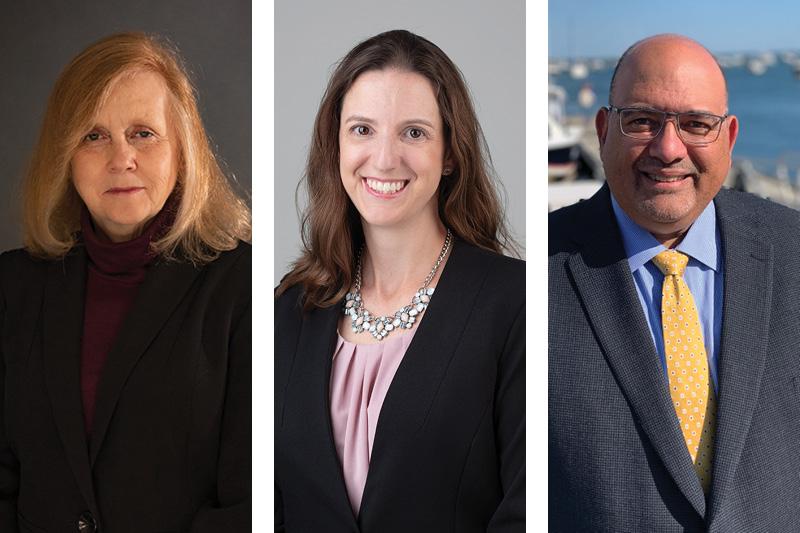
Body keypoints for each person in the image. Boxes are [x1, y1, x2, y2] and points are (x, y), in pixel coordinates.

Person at [275, 29, 524, 532]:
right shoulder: (289, 311)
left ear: (450, 153)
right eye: (362, 130)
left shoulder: (515, 304)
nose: (384, 158)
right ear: (336, 144)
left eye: (413, 132)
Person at [0, 32, 251, 531]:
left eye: (143, 133)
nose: (121, 159)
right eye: (93, 136)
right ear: (65, 156)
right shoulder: (12, 287)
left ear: (183, 151)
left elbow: (248, 504)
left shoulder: (243, 288)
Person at [549, 34, 800, 531]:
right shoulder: (535, 272)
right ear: (604, 130)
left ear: (728, 139)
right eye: (642, 121)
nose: (668, 149)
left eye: (695, 125)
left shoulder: (791, 249)